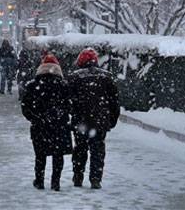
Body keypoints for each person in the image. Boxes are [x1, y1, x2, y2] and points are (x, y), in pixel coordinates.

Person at [68, 48, 120, 189]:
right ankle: (95, 178)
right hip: (100, 121)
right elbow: (114, 101)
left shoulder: (74, 77)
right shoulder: (106, 77)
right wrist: (112, 119)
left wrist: (73, 113)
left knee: (80, 149)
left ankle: (78, 176)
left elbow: (69, 100)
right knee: (97, 150)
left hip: (81, 121)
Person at [20, 54, 72, 191]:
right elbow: (70, 105)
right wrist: (60, 116)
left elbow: (25, 107)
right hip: (59, 127)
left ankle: (39, 180)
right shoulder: (64, 85)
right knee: (58, 155)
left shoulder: (32, 85)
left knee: (40, 155)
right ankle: (56, 182)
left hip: (40, 127)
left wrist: (35, 118)